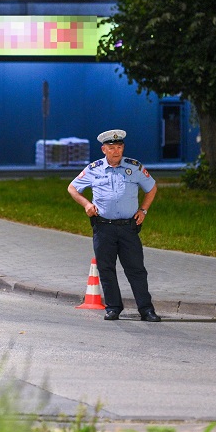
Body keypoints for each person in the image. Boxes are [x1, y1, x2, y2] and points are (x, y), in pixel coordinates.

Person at [67, 129, 161, 322]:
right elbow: (72, 187)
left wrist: (143, 210)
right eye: (112, 148)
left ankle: (146, 309)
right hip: (103, 228)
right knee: (106, 268)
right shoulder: (94, 169)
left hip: (128, 227)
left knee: (136, 269)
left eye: (119, 147)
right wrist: (86, 204)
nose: (116, 151)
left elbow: (151, 188)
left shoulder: (134, 167)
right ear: (104, 149)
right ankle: (113, 308)